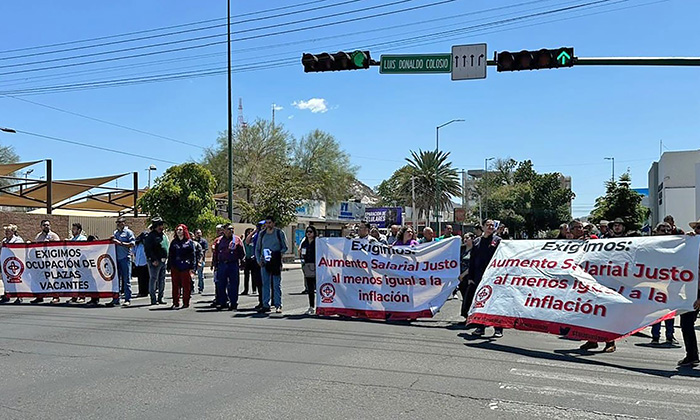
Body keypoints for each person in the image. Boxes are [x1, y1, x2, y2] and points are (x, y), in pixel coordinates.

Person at [579, 217, 618, 352]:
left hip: (602, 284)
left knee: (604, 314)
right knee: (590, 313)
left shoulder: (601, 247)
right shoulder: (581, 245)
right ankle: (592, 340)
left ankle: (610, 342)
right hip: (588, 285)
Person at [466, 219, 503, 338]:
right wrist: (471, 277)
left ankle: (498, 328)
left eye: (492, 225)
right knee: (480, 302)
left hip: (494, 276)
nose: (490, 227)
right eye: (488, 225)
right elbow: (472, 261)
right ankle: (480, 327)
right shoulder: (477, 241)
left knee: (495, 303)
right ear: (483, 227)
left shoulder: (498, 241)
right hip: (479, 277)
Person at [648, 222, 678, 345]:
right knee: (656, 311)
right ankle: (655, 336)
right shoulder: (652, 244)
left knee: (670, 311)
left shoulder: (675, 244)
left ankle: (670, 336)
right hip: (655, 282)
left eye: (668, 230)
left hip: (671, 282)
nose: (666, 232)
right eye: (662, 229)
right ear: (657, 231)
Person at [255, 216, 288, 314]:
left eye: (270, 223)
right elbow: (258, 248)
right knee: (265, 284)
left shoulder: (279, 233)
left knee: (276, 284)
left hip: (275, 261)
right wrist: (258, 259)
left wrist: (278, 255)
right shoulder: (262, 234)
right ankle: (266, 304)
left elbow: (285, 247)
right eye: (266, 223)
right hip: (265, 261)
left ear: (273, 223)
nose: (268, 225)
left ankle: (278, 305)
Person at [213, 224, 245, 311]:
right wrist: (215, 264)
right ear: (224, 230)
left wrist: (242, 263)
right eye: (228, 229)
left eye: (232, 229)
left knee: (234, 284)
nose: (231, 231)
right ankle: (223, 302)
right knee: (221, 284)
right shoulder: (219, 241)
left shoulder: (237, 240)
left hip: (233, 264)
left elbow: (242, 253)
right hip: (222, 264)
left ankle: (233, 303)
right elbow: (215, 253)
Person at [31, 219, 61, 304]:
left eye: (48, 225)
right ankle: (39, 297)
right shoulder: (38, 237)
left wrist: (51, 243)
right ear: (41, 227)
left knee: (52, 279)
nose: (46, 226)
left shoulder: (54, 236)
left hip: (52, 262)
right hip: (41, 262)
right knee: (40, 279)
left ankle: (56, 297)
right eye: (44, 225)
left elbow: (59, 248)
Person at [167, 224, 196, 309]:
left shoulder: (189, 242)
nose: (179, 231)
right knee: (175, 285)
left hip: (185, 266)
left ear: (184, 231)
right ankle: (175, 302)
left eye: (180, 230)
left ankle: (186, 302)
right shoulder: (174, 242)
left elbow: (192, 255)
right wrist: (169, 265)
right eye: (177, 230)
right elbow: (171, 255)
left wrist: (193, 267)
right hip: (175, 266)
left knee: (186, 286)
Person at [108, 217, 135, 308]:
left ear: (124, 223)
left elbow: (132, 244)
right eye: (117, 223)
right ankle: (116, 299)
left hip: (125, 258)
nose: (119, 224)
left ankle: (127, 299)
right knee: (116, 280)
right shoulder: (115, 233)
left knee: (126, 280)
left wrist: (120, 243)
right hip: (116, 259)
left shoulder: (128, 232)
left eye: (120, 222)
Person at [144, 217, 169, 305]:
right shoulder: (151, 236)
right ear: (155, 226)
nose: (161, 227)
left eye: (162, 225)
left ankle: (160, 298)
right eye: (159, 225)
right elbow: (148, 249)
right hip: (155, 261)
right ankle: (153, 299)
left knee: (162, 280)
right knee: (153, 279)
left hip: (163, 261)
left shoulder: (164, 235)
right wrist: (153, 259)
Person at [1, 224, 24, 304]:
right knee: (6, 279)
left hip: (15, 262)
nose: (6, 232)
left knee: (17, 280)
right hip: (6, 263)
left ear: (13, 232)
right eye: (6, 231)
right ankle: (7, 294)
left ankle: (19, 296)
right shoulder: (4, 240)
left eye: (8, 231)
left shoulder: (18, 240)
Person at [246, 222, 265, 309]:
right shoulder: (256, 235)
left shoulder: (267, 235)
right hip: (256, 261)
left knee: (268, 283)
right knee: (259, 283)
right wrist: (254, 232)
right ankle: (261, 301)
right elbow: (247, 241)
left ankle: (270, 301)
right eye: (258, 226)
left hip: (265, 261)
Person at [299, 226, 318, 315]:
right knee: (310, 287)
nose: (308, 233)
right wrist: (302, 261)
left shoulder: (318, 242)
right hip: (308, 266)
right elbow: (302, 253)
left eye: (310, 231)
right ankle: (311, 306)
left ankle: (321, 306)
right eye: (307, 232)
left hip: (317, 266)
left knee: (319, 287)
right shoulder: (304, 243)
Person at [68, 223, 87, 304]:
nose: (73, 230)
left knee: (81, 280)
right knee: (74, 280)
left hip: (81, 263)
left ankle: (82, 297)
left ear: (79, 230)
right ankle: (74, 296)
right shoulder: (72, 239)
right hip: (73, 263)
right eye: (72, 229)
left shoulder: (82, 239)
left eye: (74, 229)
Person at [458, 233, 475, 320]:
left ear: (472, 238)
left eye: (467, 238)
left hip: (469, 277)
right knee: (464, 296)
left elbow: (473, 265)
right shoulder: (462, 249)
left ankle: (470, 316)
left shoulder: (475, 250)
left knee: (469, 297)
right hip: (461, 278)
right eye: (464, 238)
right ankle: (466, 317)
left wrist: (463, 274)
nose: (465, 239)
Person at [133, 231, 150, 297]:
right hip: (138, 263)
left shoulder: (148, 244)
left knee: (146, 279)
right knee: (140, 279)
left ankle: (145, 291)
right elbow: (134, 252)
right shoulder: (138, 244)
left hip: (146, 263)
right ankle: (141, 291)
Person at [192, 229, 208, 295]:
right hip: (193, 261)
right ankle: (191, 289)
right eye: (197, 233)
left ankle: (200, 288)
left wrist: (200, 260)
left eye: (200, 233)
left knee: (200, 275)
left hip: (200, 260)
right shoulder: (193, 242)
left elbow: (204, 251)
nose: (199, 234)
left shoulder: (203, 241)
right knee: (192, 275)